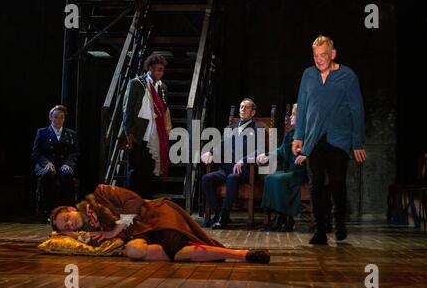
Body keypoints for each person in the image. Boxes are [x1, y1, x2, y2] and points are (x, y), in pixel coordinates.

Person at [50, 184, 270, 263]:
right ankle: (177, 251)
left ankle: (241, 254)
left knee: (181, 253)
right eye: (65, 227)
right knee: (134, 251)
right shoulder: (93, 230)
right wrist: (69, 235)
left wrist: (115, 230)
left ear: (71, 208)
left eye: (66, 219)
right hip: (139, 232)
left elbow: (134, 201)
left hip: (154, 215)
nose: (69, 224)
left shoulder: (101, 193)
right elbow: (92, 242)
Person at [292, 35, 367, 245]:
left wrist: (357, 141)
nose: (319, 60)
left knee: (337, 182)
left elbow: (357, 109)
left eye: (323, 55)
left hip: (339, 138)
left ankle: (339, 221)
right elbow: (303, 107)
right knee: (316, 184)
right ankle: (320, 230)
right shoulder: (308, 75)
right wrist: (299, 136)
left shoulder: (347, 76)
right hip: (314, 138)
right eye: (316, 56)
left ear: (332, 54)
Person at [200, 99, 259, 229]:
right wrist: (210, 152)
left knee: (232, 177)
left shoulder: (257, 128)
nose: (242, 109)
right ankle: (218, 214)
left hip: (245, 170)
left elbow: (258, 151)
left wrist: (243, 160)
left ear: (253, 112)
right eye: (241, 107)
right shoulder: (230, 128)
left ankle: (224, 218)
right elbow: (221, 145)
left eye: (246, 107)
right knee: (206, 179)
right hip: (227, 168)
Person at [123, 53, 172, 199]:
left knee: (149, 169)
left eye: (162, 70)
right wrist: (129, 132)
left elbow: (164, 110)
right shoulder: (137, 83)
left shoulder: (163, 87)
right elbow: (127, 109)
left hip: (155, 133)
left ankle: (146, 201)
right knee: (136, 170)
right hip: (139, 132)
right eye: (158, 69)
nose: (160, 73)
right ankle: (132, 202)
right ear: (150, 68)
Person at [257, 104, 307, 232]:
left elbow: (314, 150)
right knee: (270, 178)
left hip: (302, 172)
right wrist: (267, 155)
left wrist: (307, 156)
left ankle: (282, 217)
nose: (290, 117)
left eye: (294, 114)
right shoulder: (291, 133)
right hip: (290, 171)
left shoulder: (308, 133)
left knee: (279, 180)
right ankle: (281, 216)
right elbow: (282, 150)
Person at [32, 105, 79, 215]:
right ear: (50, 118)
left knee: (67, 175)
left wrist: (68, 164)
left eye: (62, 117)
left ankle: (68, 210)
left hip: (63, 164)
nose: (59, 119)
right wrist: (46, 163)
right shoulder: (42, 132)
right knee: (48, 174)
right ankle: (49, 210)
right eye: (56, 117)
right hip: (46, 163)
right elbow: (36, 152)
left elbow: (75, 152)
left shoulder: (71, 134)